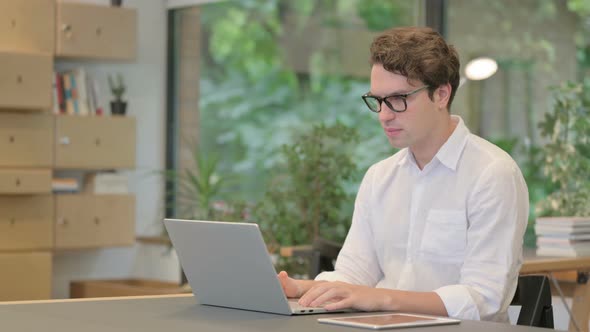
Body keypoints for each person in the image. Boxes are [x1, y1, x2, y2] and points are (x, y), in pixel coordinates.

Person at [277, 26, 528, 322]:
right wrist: (300, 288)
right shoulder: (380, 177)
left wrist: (381, 299)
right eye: (378, 100)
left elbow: (483, 298)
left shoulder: (492, 174)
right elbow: (355, 273)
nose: (384, 115)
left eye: (399, 99)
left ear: (441, 94)